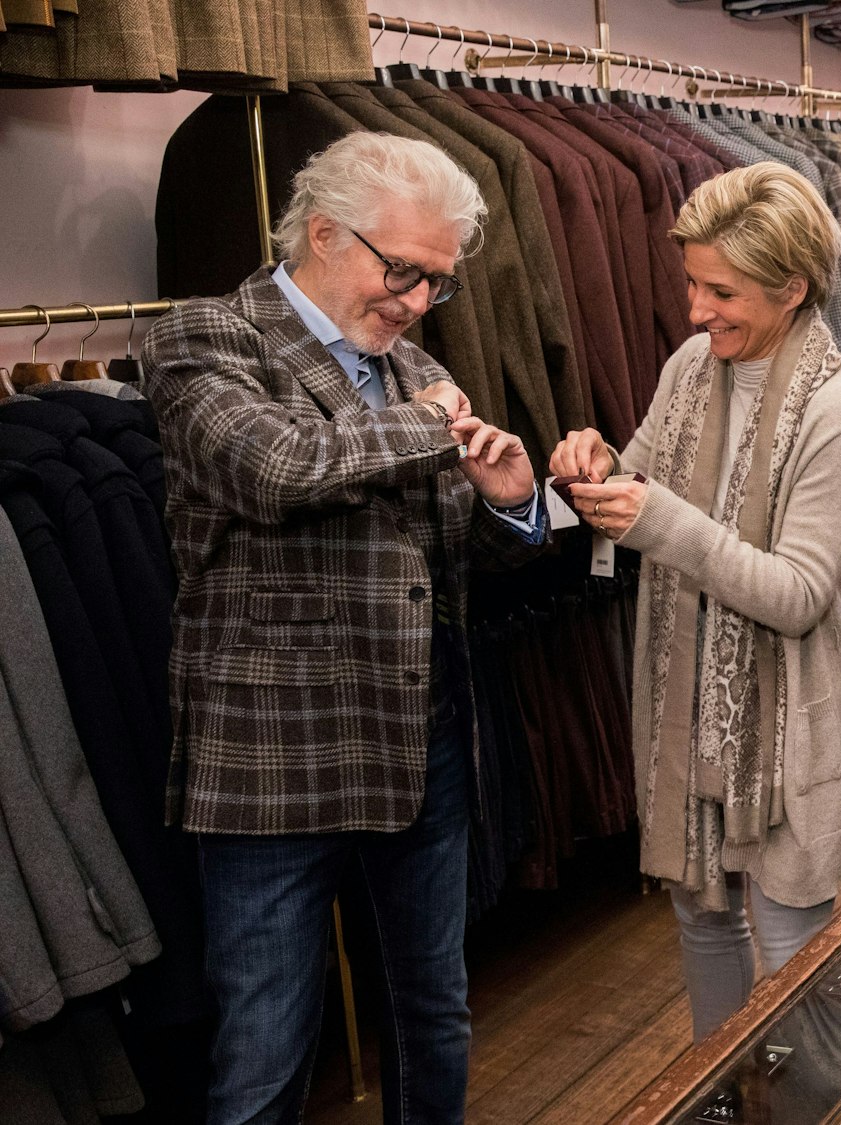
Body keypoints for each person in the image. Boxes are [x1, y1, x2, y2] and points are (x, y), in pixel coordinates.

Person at [144, 131, 548, 1123]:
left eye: (435, 284)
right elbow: (276, 470)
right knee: (266, 1049)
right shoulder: (205, 337)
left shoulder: (411, 364)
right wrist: (435, 425)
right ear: (324, 233)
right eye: (401, 270)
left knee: (433, 1010)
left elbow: (441, 561)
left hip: (423, 742)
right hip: (274, 757)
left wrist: (506, 501)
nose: (415, 302)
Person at [548, 163, 841, 1040]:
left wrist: (658, 519)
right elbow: (640, 472)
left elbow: (801, 594)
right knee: (702, 916)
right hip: (686, 704)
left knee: (794, 947)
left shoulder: (836, 410)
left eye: (721, 290)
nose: (696, 309)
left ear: (792, 287)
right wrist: (591, 471)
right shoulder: (694, 365)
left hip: (789, 726)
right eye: (691, 282)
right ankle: (724, 1092)